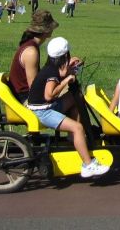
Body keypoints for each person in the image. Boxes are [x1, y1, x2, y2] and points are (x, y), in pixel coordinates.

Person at [26, 37, 109, 178]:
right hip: (44, 111)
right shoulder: (51, 73)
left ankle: (75, 138)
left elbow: (61, 73)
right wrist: (66, 80)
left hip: (44, 107)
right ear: (65, 55)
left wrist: (72, 67)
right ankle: (88, 165)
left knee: (75, 98)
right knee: (78, 127)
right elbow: (49, 95)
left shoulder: (51, 67)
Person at [8, 9, 59, 102]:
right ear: (46, 30)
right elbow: (34, 89)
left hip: (25, 96)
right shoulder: (31, 52)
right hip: (25, 100)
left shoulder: (30, 45)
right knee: (73, 96)